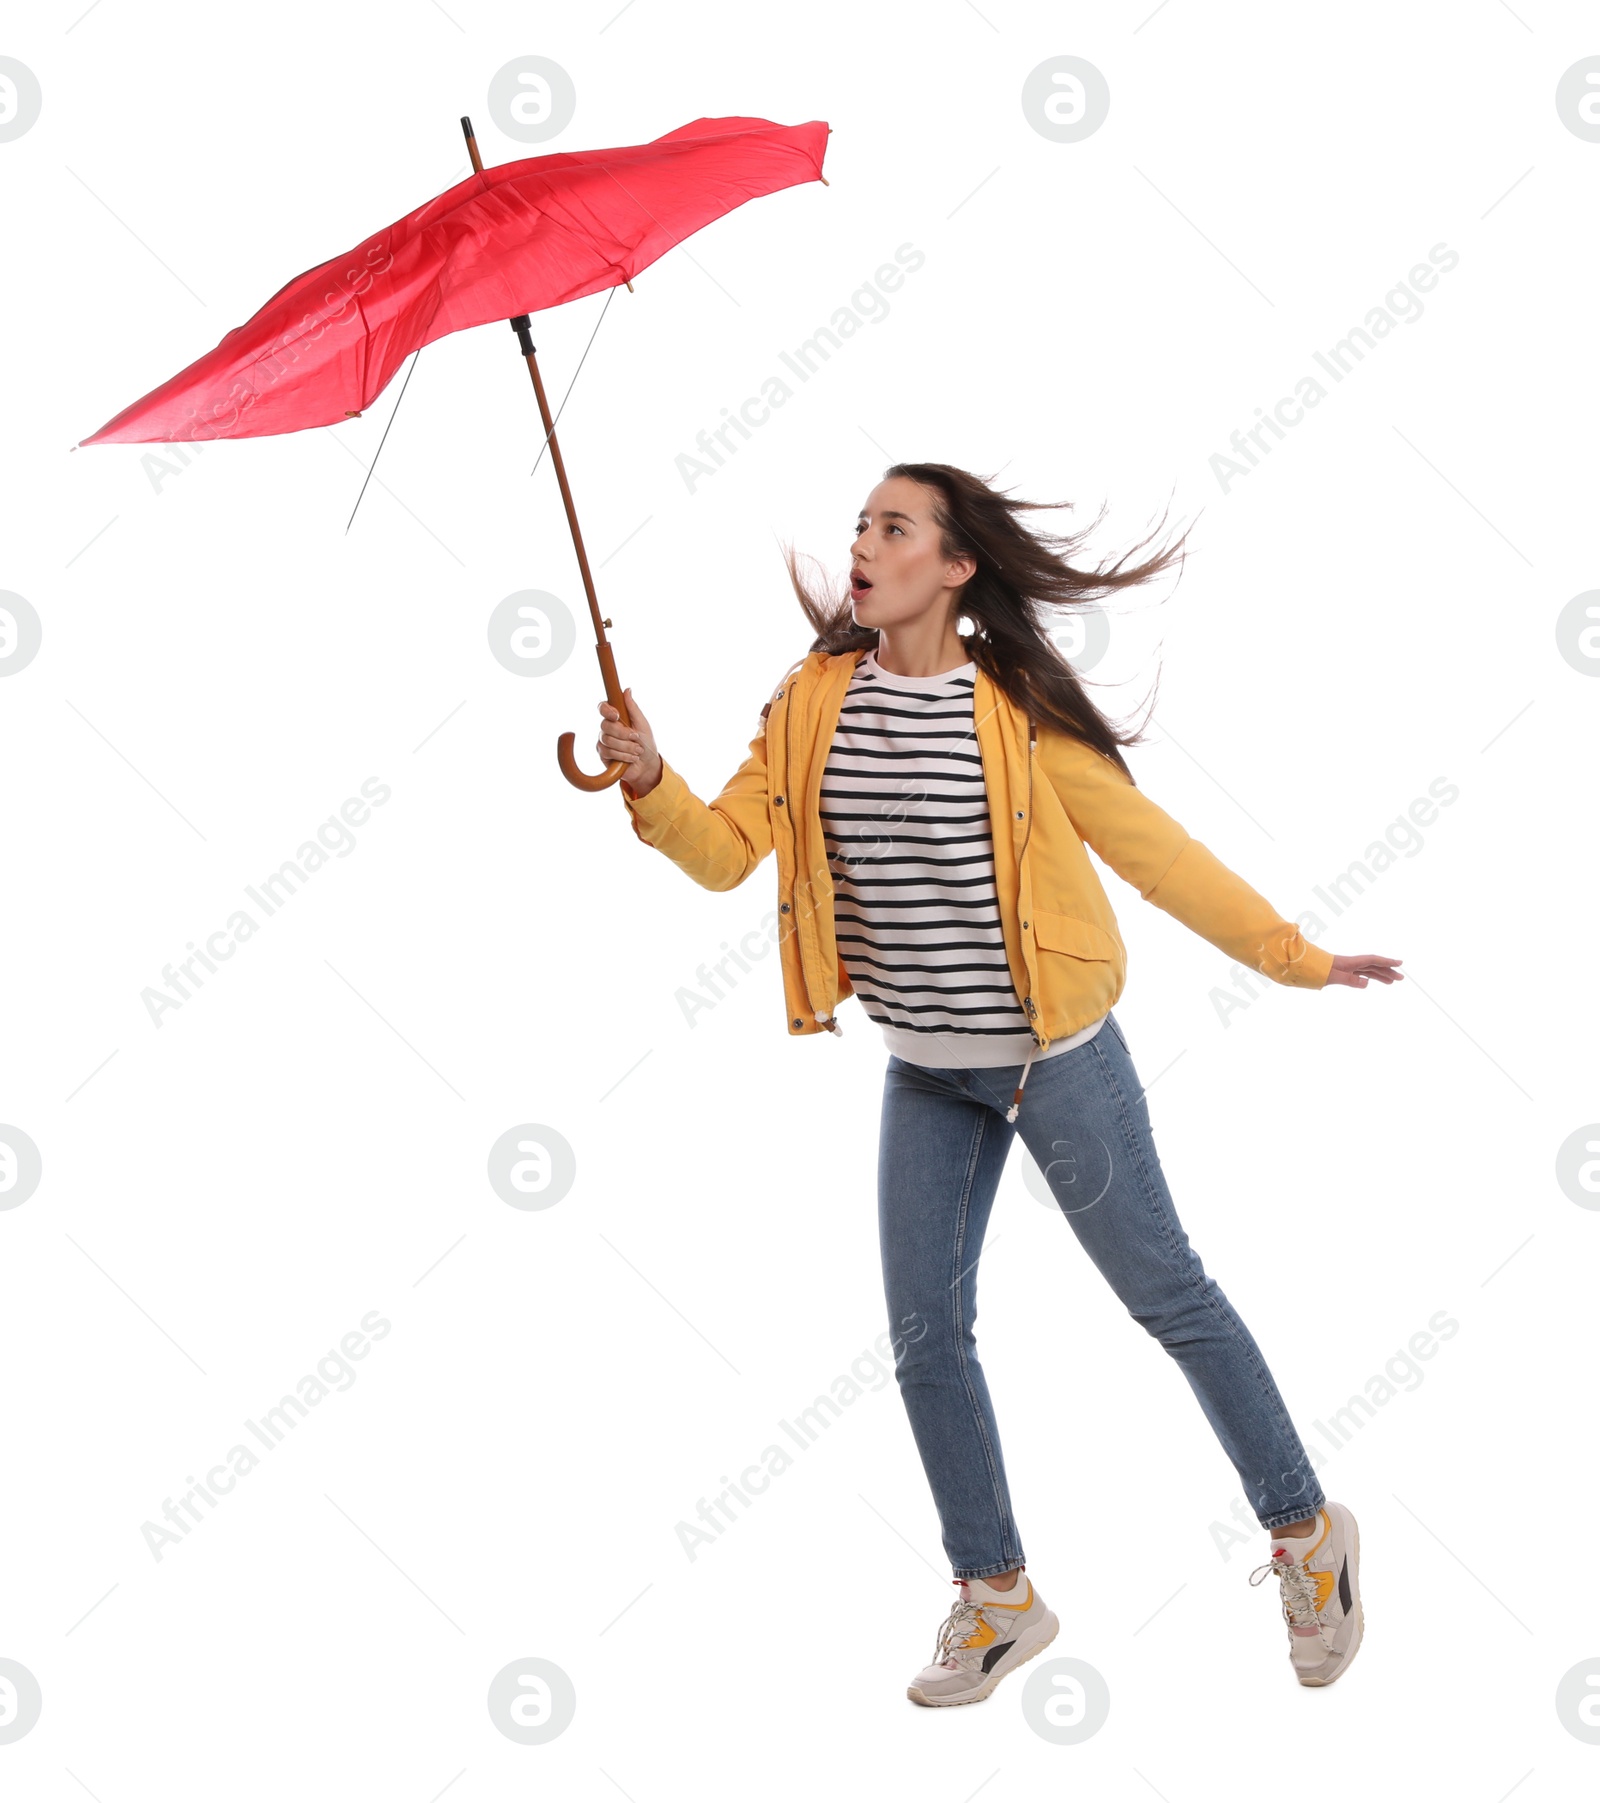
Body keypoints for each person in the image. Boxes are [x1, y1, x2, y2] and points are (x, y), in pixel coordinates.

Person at [601, 462, 1400, 1704]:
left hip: (1050, 1066)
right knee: (926, 1340)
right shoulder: (811, 701)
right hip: (922, 1072)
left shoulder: (1015, 712)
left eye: (893, 527)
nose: (863, 544)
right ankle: (997, 1596)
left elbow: (1159, 857)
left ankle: (1307, 1532)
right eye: (860, 525)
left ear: (955, 566)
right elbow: (728, 853)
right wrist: (651, 785)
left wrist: (1295, 960)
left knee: (1169, 1299)